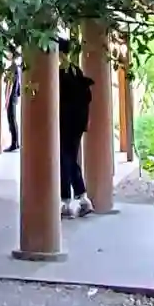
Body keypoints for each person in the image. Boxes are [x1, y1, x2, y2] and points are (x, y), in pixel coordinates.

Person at [58, 36, 95, 220]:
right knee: (70, 158)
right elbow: (87, 98)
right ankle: (81, 199)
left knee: (65, 160)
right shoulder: (76, 71)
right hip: (77, 123)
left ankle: (68, 201)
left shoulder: (59, 74)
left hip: (64, 122)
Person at [6, 60, 21, 152]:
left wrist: (7, 99)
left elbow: (10, 85)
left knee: (11, 119)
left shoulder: (13, 67)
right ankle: (15, 143)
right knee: (12, 119)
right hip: (14, 96)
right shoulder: (15, 67)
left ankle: (14, 143)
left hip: (12, 97)